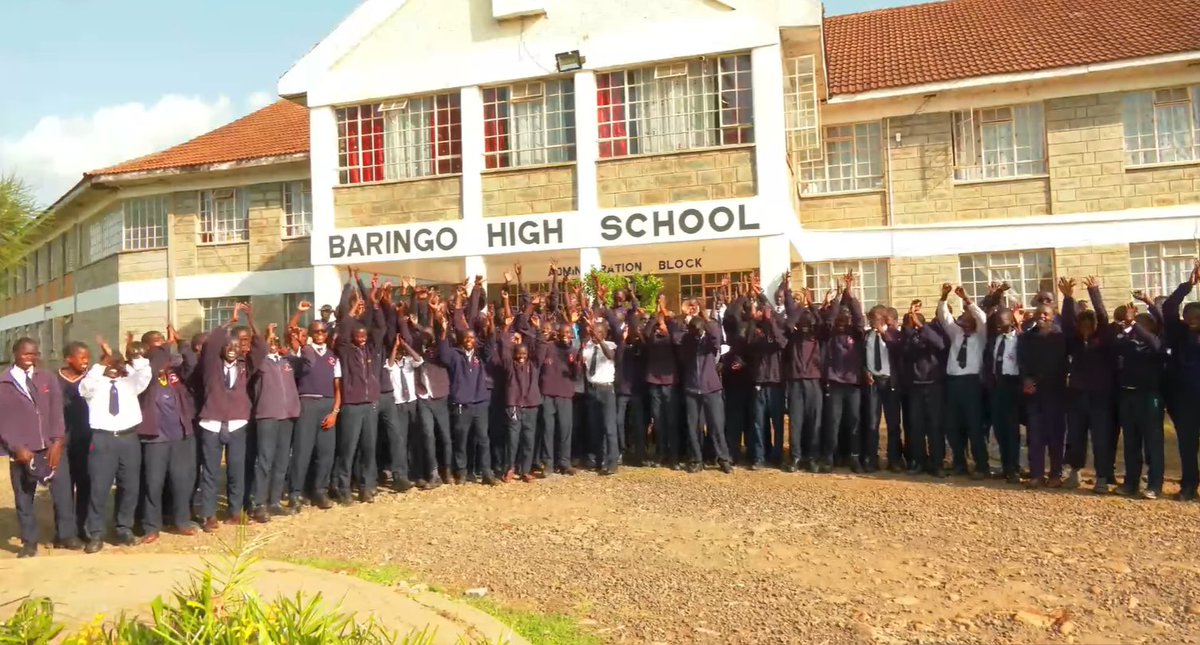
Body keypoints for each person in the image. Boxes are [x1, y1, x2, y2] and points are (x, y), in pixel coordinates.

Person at [0, 338, 80, 558]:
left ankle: (66, 535)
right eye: (27, 354)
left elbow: (56, 411)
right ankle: (29, 542)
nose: (31, 358)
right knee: (24, 498)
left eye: (34, 354)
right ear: (15, 354)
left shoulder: (46, 377)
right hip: (22, 452)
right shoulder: (4, 382)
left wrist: (57, 441)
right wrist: (16, 447)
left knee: (63, 494)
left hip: (50, 447)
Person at [79, 334, 153, 553]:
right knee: (99, 488)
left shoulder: (131, 382)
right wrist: (101, 363)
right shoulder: (94, 384)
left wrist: (131, 356)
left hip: (129, 439)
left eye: (117, 363)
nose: (114, 367)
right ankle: (96, 534)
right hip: (103, 440)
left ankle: (123, 528)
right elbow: (84, 388)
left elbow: (145, 372)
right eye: (109, 364)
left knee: (129, 486)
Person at [196, 303, 255, 529]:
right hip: (212, 423)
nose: (231, 349)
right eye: (227, 345)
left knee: (236, 469)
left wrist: (249, 321)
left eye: (236, 346)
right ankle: (209, 514)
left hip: (237, 423)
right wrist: (230, 320)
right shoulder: (211, 365)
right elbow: (211, 342)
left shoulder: (244, 365)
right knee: (210, 472)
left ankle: (235, 511)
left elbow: (259, 349)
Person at [138, 327, 199, 541]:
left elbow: (192, 367)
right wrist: (163, 348)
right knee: (153, 484)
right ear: (146, 348)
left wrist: (182, 343)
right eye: (157, 342)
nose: (162, 344)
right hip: (155, 438)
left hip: (180, 435)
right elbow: (154, 366)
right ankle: (151, 527)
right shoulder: (143, 370)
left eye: (163, 340)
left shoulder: (174, 369)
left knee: (181, 481)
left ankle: (181, 521)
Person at [332, 269, 386, 504]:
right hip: (352, 405)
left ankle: (367, 487)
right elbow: (344, 321)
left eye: (365, 335)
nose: (363, 337)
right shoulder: (345, 348)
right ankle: (343, 488)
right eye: (359, 335)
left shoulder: (371, 350)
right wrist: (349, 284)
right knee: (348, 449)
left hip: (370, 404)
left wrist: (364, 286)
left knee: (369, 449)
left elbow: (379, 322)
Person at [1113, 294, 1165, 499]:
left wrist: (1135, 322)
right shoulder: (1128, 344)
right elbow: (1116, 343)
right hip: (1128, 397)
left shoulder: (1156, 344)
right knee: (1131, 443)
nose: (1136, 331)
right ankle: (1131, 483)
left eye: (1141, 327)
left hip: (1149, 397)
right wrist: (1127, 325)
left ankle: (1154, 485)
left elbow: (1152, 341)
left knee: (1153, 443)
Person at [438, 309, 498, 486]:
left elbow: (490, 345)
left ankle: (486, 472)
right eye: (466, 338)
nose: (469, 341)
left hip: (480, 403)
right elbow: (442, 351)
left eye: (472, 338)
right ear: (462, 340)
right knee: (462, 440)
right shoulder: (455, 355)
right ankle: (462, 473)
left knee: (483, 440)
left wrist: (491, 324)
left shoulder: (480, 356)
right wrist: (443, 328)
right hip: (461, 405)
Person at [937, 284, 989, 479]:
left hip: (972, 384)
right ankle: (960, 462)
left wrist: (967, 299)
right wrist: (944, 297)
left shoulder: (981, 335)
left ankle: (981, 465)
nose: (962, 317)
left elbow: (982, 318)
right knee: (953, 425)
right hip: (953, 383)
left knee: (974, 425)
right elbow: (944, 317)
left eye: (966, 314)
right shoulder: (956, 333)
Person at [250, 324, 301, 521]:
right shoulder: (261, 363)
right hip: (268, 416)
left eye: (275, 342)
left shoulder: (286, 362)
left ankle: (275, 501)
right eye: (270, 342)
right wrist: (265, 334)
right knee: (265, 461)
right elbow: (257, 351)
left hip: (287, 416)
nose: (273, 344)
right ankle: (259, 503)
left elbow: (306, 362)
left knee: (282, 461)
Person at [1020, 297, 1068, 488]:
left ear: (1053, 317)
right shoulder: (1027, 338)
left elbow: (1061, 365)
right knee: (1035, 436)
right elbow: (1022, 362)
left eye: (1046, 314)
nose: (1041, 317)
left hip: (1055, 393)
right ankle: (1037, 474)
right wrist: (1026, 380)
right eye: (1039, 314)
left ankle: (1055, 474)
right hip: (1034, 394)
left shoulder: (1060, 338)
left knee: (1056, 437)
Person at [1163, 262, 1200, 501]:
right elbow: (1169, 306)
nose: (1191, 319)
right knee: (1187, 446)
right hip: (1184, 400)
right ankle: (1188, 485)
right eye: (1188, 316)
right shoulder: (1178, 332)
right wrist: (1189, 285)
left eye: (1196, 316)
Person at [821, 272, 864, 473]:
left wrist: (850, 292)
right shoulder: (831, 334)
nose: (843, 320)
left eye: (846, 318)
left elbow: (859, 318)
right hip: (835, 383)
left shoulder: (857, 333)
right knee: (833, 422)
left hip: (853, 384)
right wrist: (838, 298)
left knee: (854, 422)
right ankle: (829, 457)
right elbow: (829, 318)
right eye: (841, 317)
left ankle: (854, 457)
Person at [900, 300, 947, 476]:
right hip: (916, 387)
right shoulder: (910, 338)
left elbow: (940, 345)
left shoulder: (933, 334)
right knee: (916, 427)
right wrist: (910, 328)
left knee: (935, 426)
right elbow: (904, 349)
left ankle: (937, 463)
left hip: (934, 385)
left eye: (914, 321)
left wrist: (920, 325)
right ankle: (918, 461)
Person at [57, 341, 92, 540]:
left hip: (86, 440)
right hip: (60, 442)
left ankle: (83, 527)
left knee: (85, 484)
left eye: (88, 357)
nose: (86, 361)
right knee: (63, 488)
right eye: (82, 357)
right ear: (68, 358)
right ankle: (64, 532)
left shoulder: (91, 379)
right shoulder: (54, 379)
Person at [985, 307, 1023, 484]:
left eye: (1002, 322)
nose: (998, 326)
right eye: (996, 323)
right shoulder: (994, 340)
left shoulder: (1019, 340)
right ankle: (1005, 465)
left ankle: (1014, 468)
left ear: (1011, 321)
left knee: (1011, 430)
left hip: (1012, 387)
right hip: (996, 386)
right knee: (999, 430)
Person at [863, 305, 902, 473]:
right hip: (873, 383)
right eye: (870, 317)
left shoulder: (893, 333)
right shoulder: (867, 336)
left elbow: (896, 348)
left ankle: (894, 459)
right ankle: (872, 458)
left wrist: (883, 333)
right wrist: (865, 371)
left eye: (875, 317)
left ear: (884, 318)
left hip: (890, 383)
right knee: (872, 423)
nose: (871, 320)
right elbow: (861, 357)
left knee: (893, 423)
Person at [581, 317, 621, 475]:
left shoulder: (610, 345)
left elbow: (611, 356)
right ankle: (599, 460)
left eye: (598, 332)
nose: (595, 335)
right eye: (593, 332)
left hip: (606, 390)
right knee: (595, 427)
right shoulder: (587, 346)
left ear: (604, 334)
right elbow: (581, 361)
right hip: (592, 389)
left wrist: (600, 342)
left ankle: (612, 462)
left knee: (609, 427)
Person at [385, 330, 422, 491]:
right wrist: (395, 346)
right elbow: (391, 364)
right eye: (398, 350)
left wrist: (405, 345)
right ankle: (400, 474)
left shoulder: (408, 361)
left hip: (411, 402)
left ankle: (412, 471)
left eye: (401, 351)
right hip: (398, 404)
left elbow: (419, 359)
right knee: (399, 440)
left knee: (413, 438)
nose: (400, 352)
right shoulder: (389, 363)